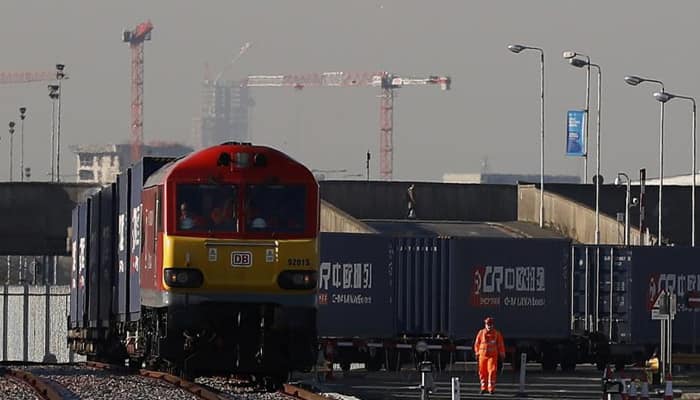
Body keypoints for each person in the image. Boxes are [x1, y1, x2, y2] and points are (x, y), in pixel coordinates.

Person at [473, 316, 505, 395]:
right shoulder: (481, 333)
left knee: (492, 371)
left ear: (493, 325)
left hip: (492, 356)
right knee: (482, 372)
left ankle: (491, 389)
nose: (489, 326)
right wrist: (477, 353)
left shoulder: (497, 334)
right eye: (488, 324)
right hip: (482, 356)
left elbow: (500, 345)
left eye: (490, 324)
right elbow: (477, 344)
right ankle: (483, 388)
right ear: (485, 325)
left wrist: (502, 354)